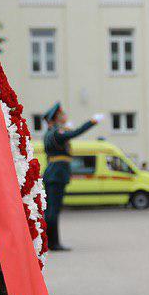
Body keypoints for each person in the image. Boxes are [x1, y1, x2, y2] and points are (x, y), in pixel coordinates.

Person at [42, 102, 103, 251]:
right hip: (57, 174)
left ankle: (49, 242)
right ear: (57, 118)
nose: (65, 116)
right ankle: (53, 243)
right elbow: (75, 133)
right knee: (53, 210)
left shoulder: (52, 132)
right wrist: (92, 122)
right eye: (62, 115)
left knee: (50, 210)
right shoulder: (57, 133)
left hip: (53, 173)